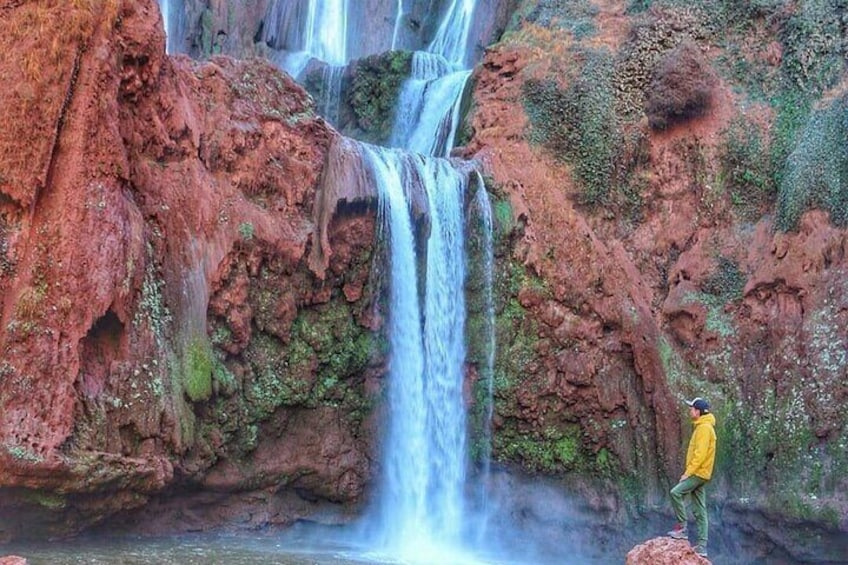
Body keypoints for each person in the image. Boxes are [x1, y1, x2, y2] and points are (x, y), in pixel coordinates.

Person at [667, 397, 717, 558]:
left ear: (698, 411)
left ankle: (682, 528)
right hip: (702, 473)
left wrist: (687, 473)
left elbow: (700, 455)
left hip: (698, 473)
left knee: (675, 492)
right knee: (700, 509)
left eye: (692, 408)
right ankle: (702, 546)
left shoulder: (704, 428)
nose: (690, 411)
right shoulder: (704, 427)